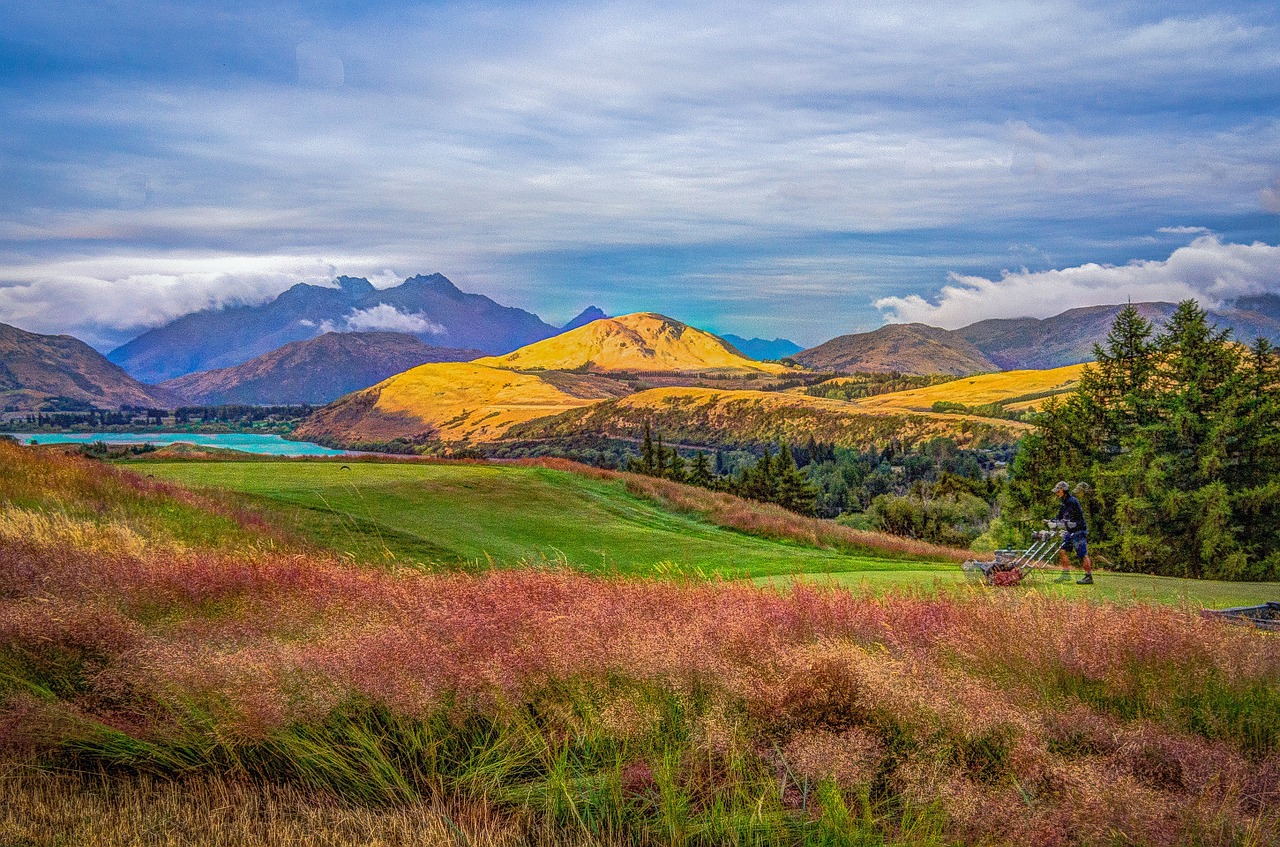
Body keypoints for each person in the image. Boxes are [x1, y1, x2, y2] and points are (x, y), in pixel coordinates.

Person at [1051, 480, 1094, 584]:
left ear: (1062, 490)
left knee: (1082, 554)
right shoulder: (1064, 502)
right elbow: (1060, 516)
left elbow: (1069, 519)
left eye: (1058, 491)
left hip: (1079, 530)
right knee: (1062, 550)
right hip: (1070, 531)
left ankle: (1089, 577)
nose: (1056, 493)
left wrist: (1058, 524)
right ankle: (1066, 575)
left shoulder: (1072, 502)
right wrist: (1052, 521)